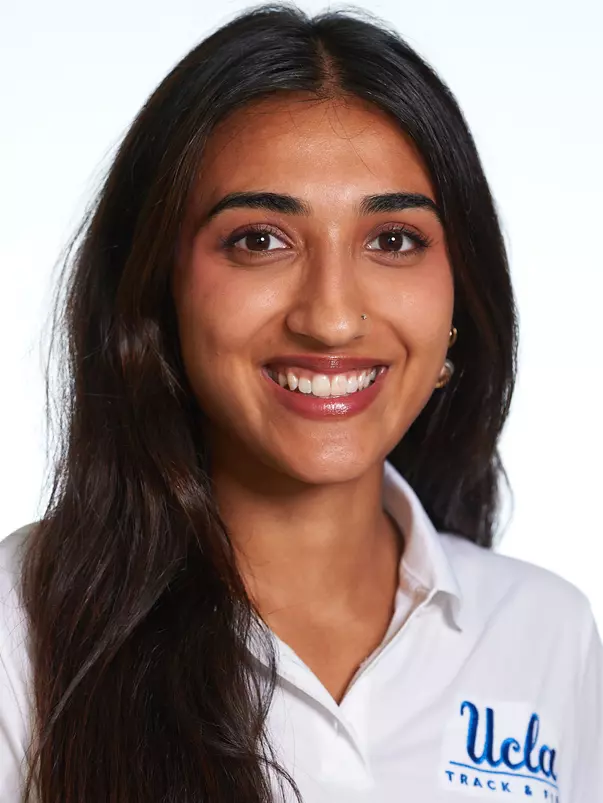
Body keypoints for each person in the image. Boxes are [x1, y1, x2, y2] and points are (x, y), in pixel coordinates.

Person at [1, 3, 601, 802]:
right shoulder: (19, 629)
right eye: (259, 239)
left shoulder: (542, 631)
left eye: (392, 240)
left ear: (460, 298)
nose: (331, 317)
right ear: (157, 289)